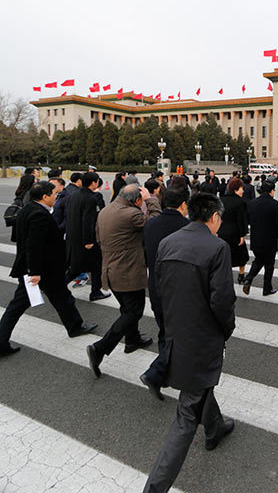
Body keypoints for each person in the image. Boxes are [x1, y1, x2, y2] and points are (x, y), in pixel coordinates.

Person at [143, 193, 237, 492]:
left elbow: (156, 288)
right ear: (213, 217)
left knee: (199, 388)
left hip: (175, 330)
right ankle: (154, 488)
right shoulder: (217, 247)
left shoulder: (168, 242)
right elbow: (222, 300)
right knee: (186, 415)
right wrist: (226, 329)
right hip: (202, 337)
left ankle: (216, 427)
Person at [0, 181, 98, 356]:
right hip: (42, 270)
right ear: (45, 196)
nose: (56, 197)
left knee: (62, 298)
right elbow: (34, 245)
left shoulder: (27, 209)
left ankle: (75, 326)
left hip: (42, 269)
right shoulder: (39, 215)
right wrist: (35, 272)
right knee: (18, 306)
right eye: (54, 194)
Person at [86, 185, 155, 377]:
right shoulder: (131, 214)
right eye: (141, 200)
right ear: (136, 200)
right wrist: (151, 200)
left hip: (110, 269)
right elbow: (154, 223)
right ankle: (100, 348)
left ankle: (132, 340)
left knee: (127, 309)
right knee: (133, 312)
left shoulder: (106, 211)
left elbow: (99, 239)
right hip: (127, 271)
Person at [140, 187, 191, 399]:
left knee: (164, 330)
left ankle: (165, 373)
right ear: (182, 205)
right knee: (178, 334)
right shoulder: (187, 227)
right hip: (177, 288)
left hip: (155, 284)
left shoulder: (150, 224)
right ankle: (156, 372)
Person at [65, 171, 110, 301]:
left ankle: (95, 291)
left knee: (77, 267)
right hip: (86, 239)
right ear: (93, 183)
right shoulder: (90, 198)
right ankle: (95, 292)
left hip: (73, 237)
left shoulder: (73, 195)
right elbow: (88, 220)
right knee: (94, 265)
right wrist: (89, 240)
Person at [243, 181, 278, 296]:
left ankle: (248, 279)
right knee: (269, 264)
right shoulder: (275, 205)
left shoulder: (251, 203)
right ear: (271, 191)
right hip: (270, 239)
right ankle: (267, 288)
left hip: (256, 238)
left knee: (259, 259)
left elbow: (249, 220)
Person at [218, 177, 250, 284]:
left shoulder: (221, 200)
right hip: (235, 232)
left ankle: (226, 276)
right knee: (242, 255)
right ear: (236, 190)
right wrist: (242, 235)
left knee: (225, 256)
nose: (243, 191)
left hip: (222, 231)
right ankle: (241, 275)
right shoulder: (240, 202)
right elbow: (241, 220)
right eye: (241, 189)